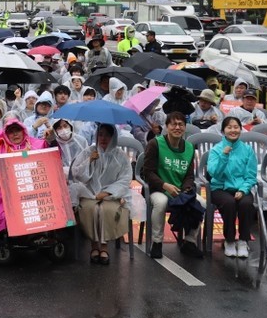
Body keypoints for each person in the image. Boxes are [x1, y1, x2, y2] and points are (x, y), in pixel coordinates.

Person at [140, 111, 204, 259]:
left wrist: (186, 189)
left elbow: (189, 175)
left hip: (180, 190)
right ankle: (157, 243)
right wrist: (165, 185)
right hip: (158, 189)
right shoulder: (155, 144)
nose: (177, 127)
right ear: (167, 127)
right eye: (173, 124)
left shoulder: (189, 148)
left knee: (201, 203)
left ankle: (189, 242)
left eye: (181, 124)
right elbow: (147, 172)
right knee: (161, 203)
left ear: (185, 127)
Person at [0, 117, 46, 239]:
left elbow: (52, 157)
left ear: (24, 131)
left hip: (32, 190)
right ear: (6, 134)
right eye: (11, 131)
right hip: (4, 192)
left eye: (18, 130)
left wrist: (51, 139)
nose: (15, 134)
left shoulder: (35, 145)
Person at [71, 123, 132, 265]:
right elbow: (76, 173)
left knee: (105, 210)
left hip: (112, 195)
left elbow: (125, 178)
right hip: (89, 192)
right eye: (100, 134)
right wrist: (89, 160)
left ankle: (104, 247)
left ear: (113, 137)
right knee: (92, 209)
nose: (103, 138)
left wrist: (107, 192)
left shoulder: (120, 156)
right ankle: (94, 246)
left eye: (107, 135)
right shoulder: (89, 151)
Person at [207, 116, 258, 258]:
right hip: (220, 188)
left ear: (241, 129)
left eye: (236, 127)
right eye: (229, 127)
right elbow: (214, 173)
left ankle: (243, 240)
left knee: (246, 204)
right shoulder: (217, 150)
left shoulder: (248, 150)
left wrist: (243, 190)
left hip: (242, 188)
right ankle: (229, 240)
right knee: (229, 203)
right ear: (223, 130)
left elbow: (251, 175)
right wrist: (224, 156)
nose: (233, 130)